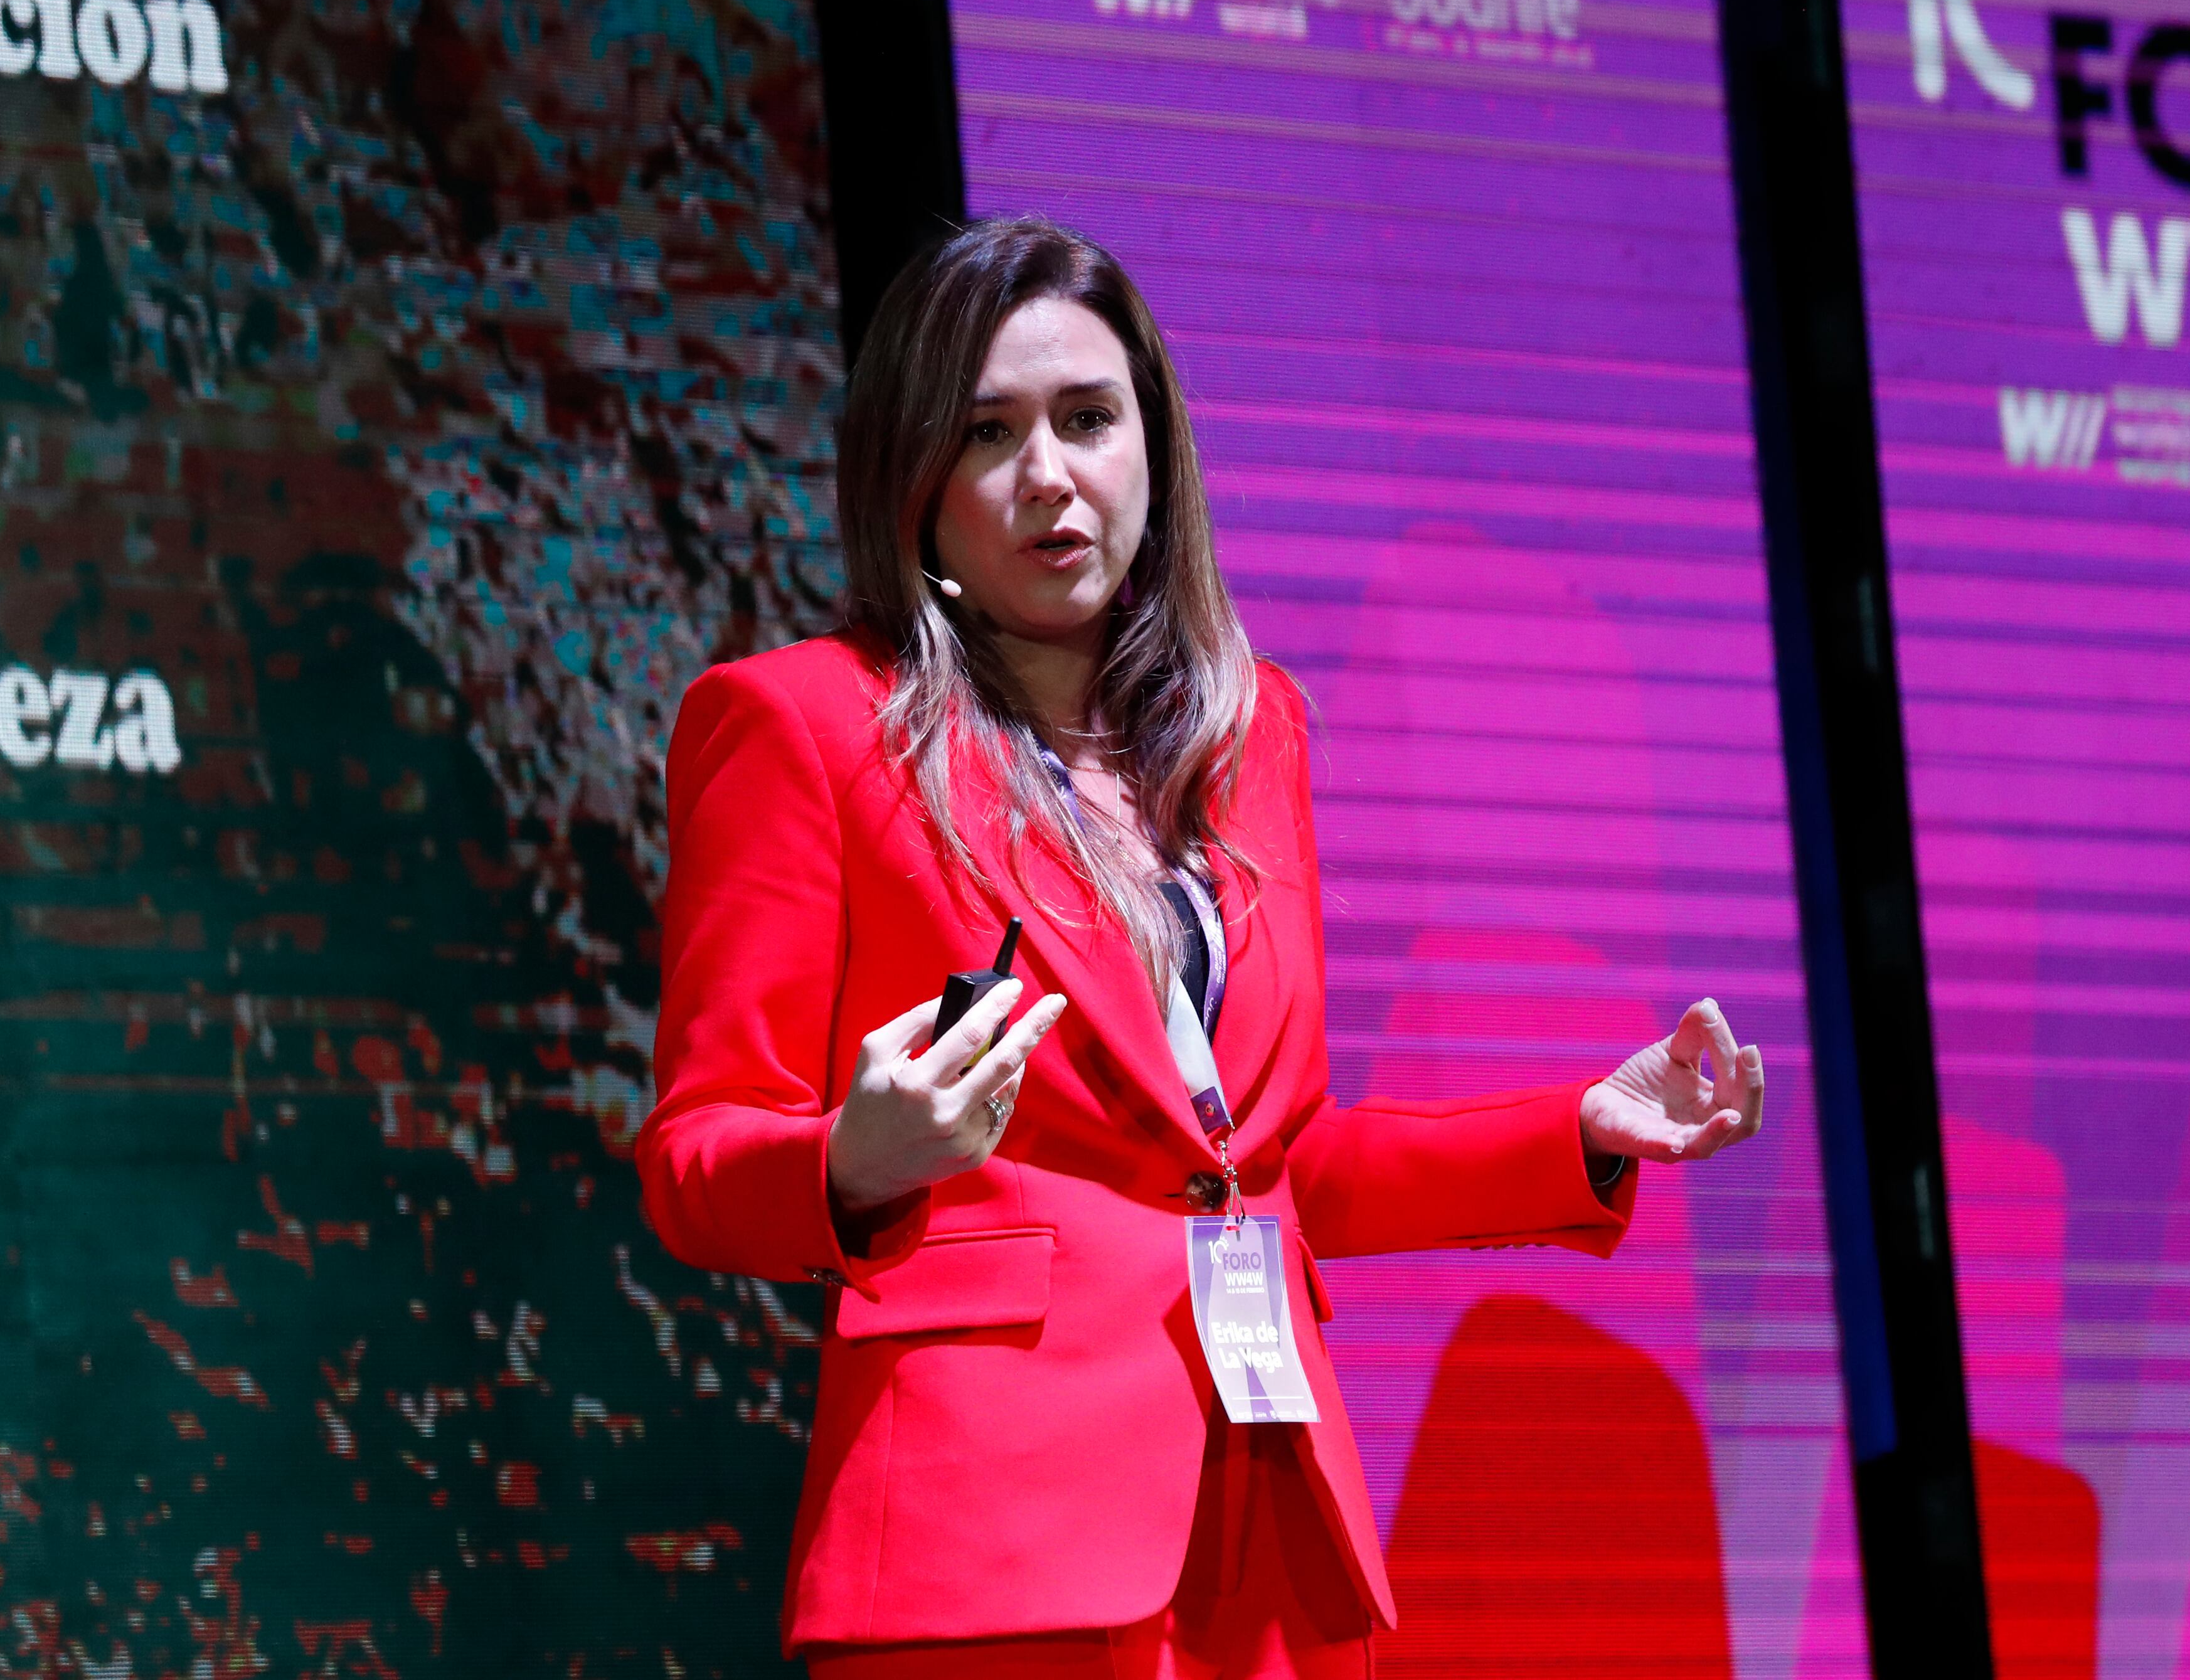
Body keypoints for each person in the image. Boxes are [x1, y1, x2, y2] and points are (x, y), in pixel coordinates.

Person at [635, 218, 1766, 1677]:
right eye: (988, 431)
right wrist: (855, 1158)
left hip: (1270, 1519)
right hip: (995, 1557)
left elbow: (1268, 1160)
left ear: (1152, 447)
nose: (1050, 474)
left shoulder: (1251, 731)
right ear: (910, 482)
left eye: (1088, 419)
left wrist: (1578, 1131)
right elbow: (694, 1158)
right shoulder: (801, 723)